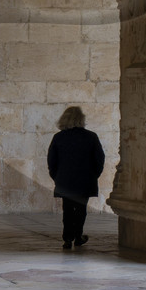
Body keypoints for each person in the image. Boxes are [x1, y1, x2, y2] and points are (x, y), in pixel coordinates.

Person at [46, 106, 105, 249]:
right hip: (84, 180)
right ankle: (78, 236)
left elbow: (51, 160)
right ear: (81, 119)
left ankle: (67, 238)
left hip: (65, 180)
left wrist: (57, 177)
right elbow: (99, 159)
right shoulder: (91, 137)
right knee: (80, 209)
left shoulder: (59, 137)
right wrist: (93, 175)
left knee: (67, 209)